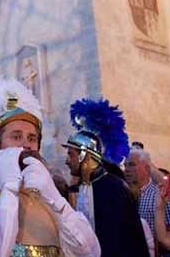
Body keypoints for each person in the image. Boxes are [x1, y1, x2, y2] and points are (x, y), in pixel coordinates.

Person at [0, 78, 99, 257]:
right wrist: (10, 188)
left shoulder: (47, 195)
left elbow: (90, 252)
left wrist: (56, 199)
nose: (26, 145)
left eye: (32, 138)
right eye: (16, 137)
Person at [63, 99, 150, 257]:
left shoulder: (114, 189)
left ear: (84, 155)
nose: (67, 160)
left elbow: (119, 244)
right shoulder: (79, 189)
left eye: (71, 154)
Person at [125, 148, 170, 252]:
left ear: (147, 168)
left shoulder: (159, 194)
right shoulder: (123, 193)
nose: (127, 169)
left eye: (132, 165)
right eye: (125, 165)